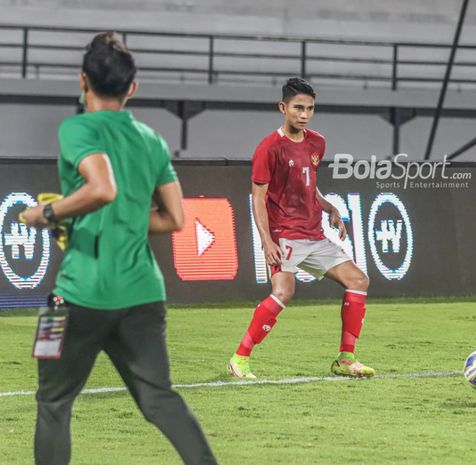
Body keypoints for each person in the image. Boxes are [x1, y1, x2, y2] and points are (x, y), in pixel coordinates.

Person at [21, 32, 219, 465]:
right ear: (133, 87)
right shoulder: (151, 140)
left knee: (52, 403)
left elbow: (102, 187)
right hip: (142, 295)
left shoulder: (75, 127)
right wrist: (122, 217)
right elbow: (174, 219)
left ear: (82, 82)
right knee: (160, 401)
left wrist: (48, 215)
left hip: (73, 297)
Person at [227, 77, 375, 379]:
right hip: (284, 234)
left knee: (359, 280)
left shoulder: (317, 142)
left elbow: (308, 186)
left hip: (315, 233)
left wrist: (329, 207)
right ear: (283, 107)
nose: (304, 114)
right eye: (298, 108)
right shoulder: (268, 149)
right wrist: (267, 240)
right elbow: (258, 199)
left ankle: (346, 359)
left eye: (310, 108)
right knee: (284, 290)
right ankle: (239, 359)